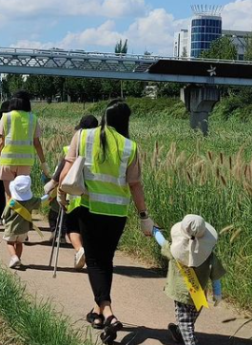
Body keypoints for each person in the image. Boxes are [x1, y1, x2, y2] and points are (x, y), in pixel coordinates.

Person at [58, 99, 154, 342]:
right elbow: (135, 185)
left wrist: (61, 193)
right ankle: (97, 313)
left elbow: (66, 171)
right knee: (105, 261)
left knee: (96, 263)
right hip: (116, 215)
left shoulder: (82, 136)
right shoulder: (129, 146)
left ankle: (109, 314)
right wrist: (144, 216)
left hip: (89, 209)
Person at [153, 215, 225, 345]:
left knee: (186, 322)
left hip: (182, 295)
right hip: (199, 294)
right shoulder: (210, 256)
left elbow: (163, 243)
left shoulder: (175, 252)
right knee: (189, 319)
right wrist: (217, 293)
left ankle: (189, 340)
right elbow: (215, 276)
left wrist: (155, 231)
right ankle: (179, 332)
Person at [45, 114, 99, 269]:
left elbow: (64, 168)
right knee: (90, 227)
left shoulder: (73, 145)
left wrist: (57, 188)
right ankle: (91, 255)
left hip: (74, 195)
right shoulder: (102, 147)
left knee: (72, 227)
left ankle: (79, 249)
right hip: (94, 196)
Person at [0, 90, 50, 196]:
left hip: (7, 161)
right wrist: (43, 163)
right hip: (25, 162)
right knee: (21, 195)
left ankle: (10, 212)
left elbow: (1, 142)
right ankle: (20, 213)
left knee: (10, 196)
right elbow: (37, 143)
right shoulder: (32, 118)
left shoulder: (6, 117)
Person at [2, 175, 41, 269]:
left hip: (12, 227)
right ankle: (18, 258)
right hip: (24, 228)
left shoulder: (12, 201)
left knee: (10, 243)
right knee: (19, 243)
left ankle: (14, 257)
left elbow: (5, 214)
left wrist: (4, 219)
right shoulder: (31, 201)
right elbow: (40, 201)